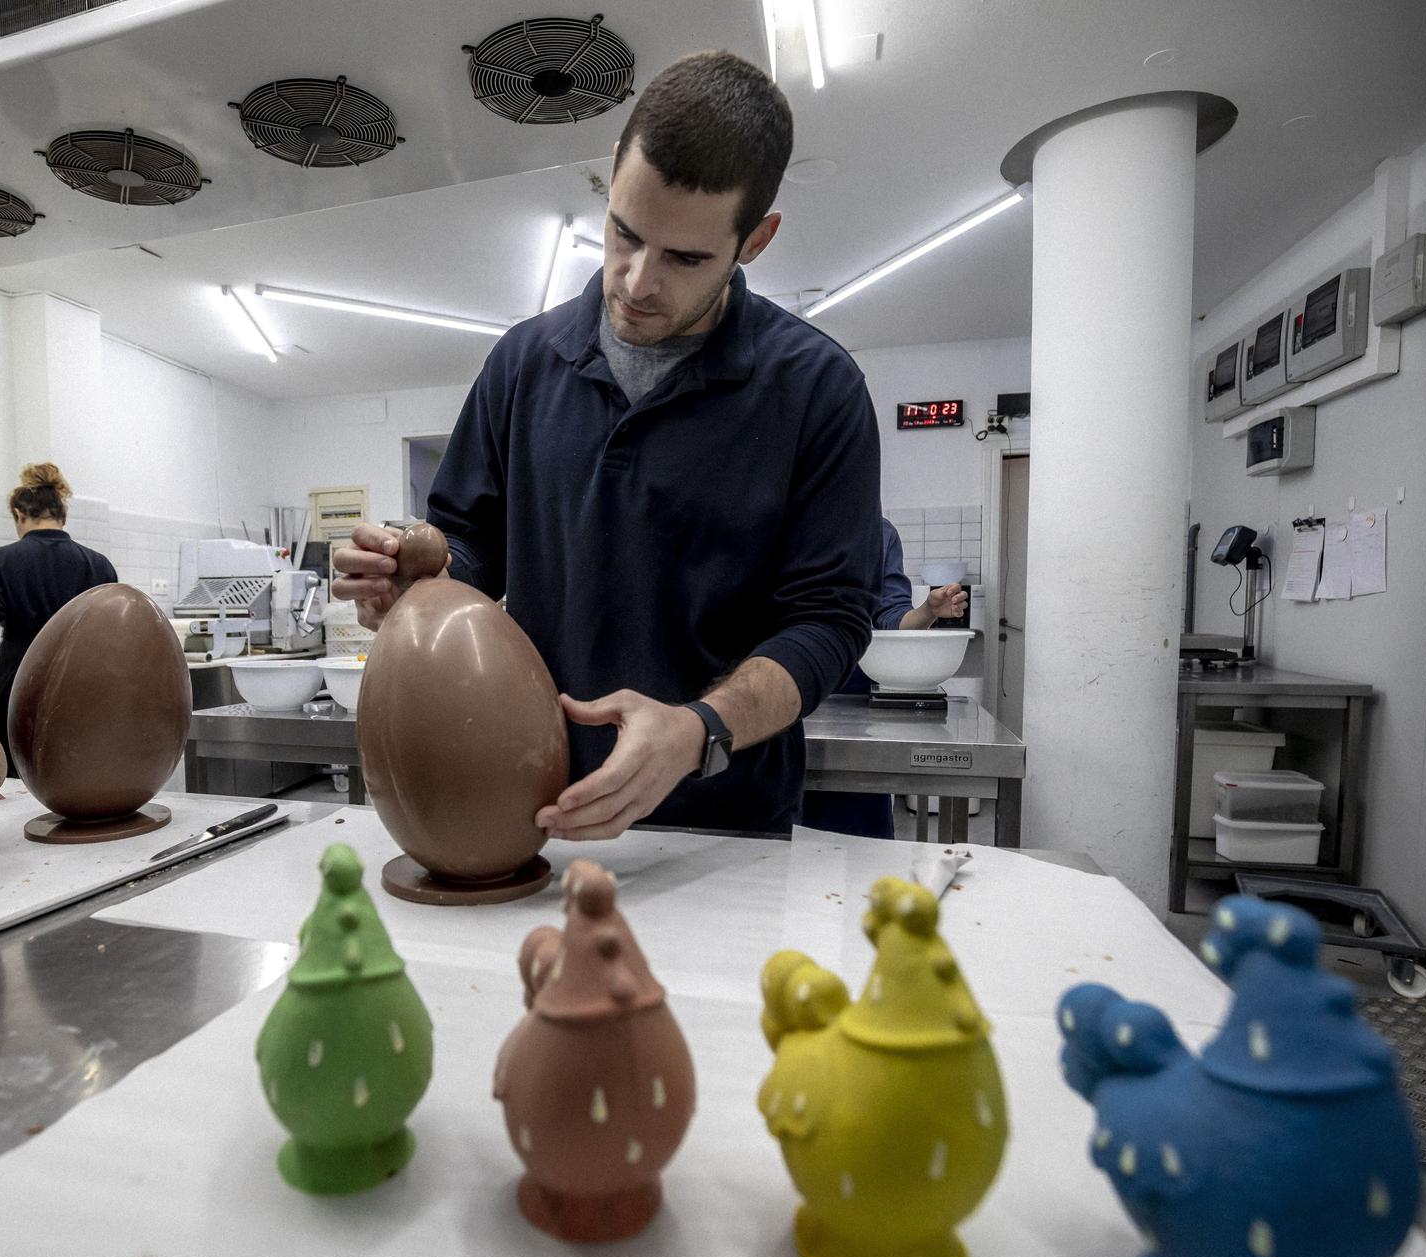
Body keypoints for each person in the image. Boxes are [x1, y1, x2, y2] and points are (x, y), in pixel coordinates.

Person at [332, 51, 884, 842]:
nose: (635, 281)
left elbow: (829, 621)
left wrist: (699, 730)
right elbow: (472, 554)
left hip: (722, 833)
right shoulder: (523, 364)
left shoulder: (816, 392)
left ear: (755, 241)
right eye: (624, 233)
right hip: (533, 811)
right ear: (610, 178)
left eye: (685, 258)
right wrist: (412, 582)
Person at [798, 516, 968, 840]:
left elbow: (890, 617)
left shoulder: (878, 532)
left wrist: (928, 611)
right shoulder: (775, 515)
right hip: (774, 700)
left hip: (851, 708)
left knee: (857, 846)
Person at [0, 462, 118, 772]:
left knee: (23, 777)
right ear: (63, 516)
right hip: (81, 688)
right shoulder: (99, 564)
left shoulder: (1, 560)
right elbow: (110, 633)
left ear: (19, 515)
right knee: (77, 771)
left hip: (21, 687)